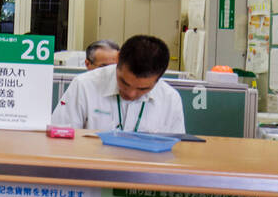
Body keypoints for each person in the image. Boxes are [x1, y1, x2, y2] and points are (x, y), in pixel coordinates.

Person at [51, 34, 185, 134]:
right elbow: (59, 136)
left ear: (159, 77)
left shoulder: (170, 99)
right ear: (118, 58)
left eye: (143, 89)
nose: (131, 94)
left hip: (145, 170)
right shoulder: (84, 85)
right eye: (124, 82)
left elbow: (176, 151)